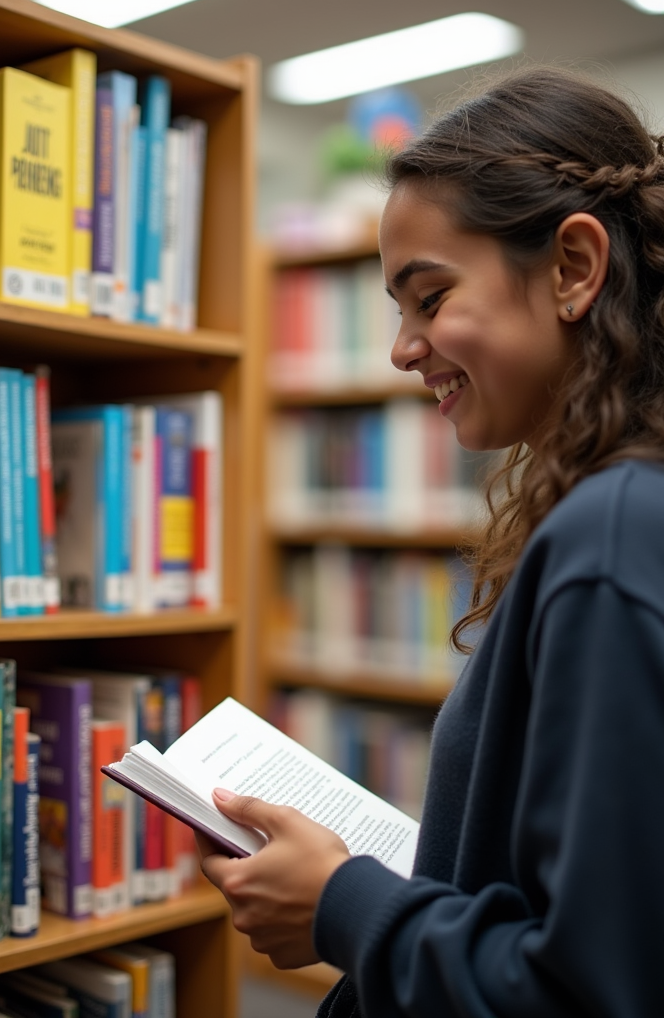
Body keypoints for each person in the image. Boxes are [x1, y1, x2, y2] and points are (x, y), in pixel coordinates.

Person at [198, 64, 664, 1017]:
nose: (404, 347)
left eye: (431, 296)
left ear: (575, 267)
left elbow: (591, 989)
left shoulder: (614, 532)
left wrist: (343, 903)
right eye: (395, 309)